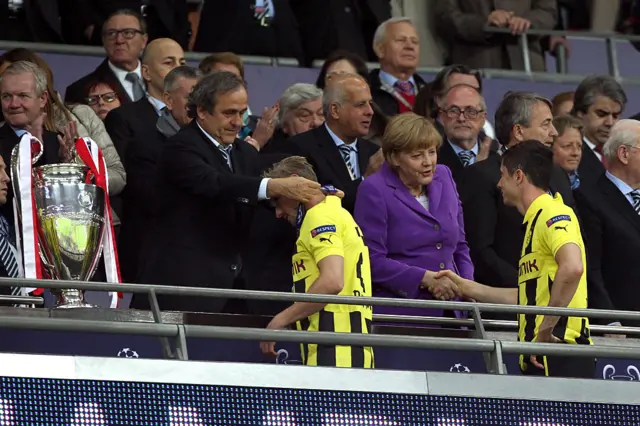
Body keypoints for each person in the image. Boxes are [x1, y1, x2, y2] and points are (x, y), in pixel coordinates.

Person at [132, 71, 323, 313]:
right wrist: (275, 186)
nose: (239, 122)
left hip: (233, 290)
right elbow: (216, 183)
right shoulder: (180, 147)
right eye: (229, 113)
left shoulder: (243, 152)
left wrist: (314, 194)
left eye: (242, 113)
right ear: (202, 111)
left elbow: (258, 196)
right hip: (181, 291)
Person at [439, 140, 593, 378]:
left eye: (503, 175)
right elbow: (527, 296)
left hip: (560, 351)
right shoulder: (534, 220)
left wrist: (545, 330)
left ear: (519, 176)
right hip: (542, 353)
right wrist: (465, 286)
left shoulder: (554, 213)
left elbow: (573, 268)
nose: (499, 183)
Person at [458, 92, 575, 317]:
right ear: (519, 132)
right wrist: (531, 289)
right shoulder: (481, 176)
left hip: (564, 306)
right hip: (508, 312)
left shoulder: (558, 175)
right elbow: (481, 250)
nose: (554, 132)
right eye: (546, 124)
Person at [260, 156, 374, 368]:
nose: (277, 212)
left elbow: (332, 281)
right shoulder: (335, 212)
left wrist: (280, 320)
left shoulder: (319, 217)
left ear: (295, 183)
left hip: (335, 348)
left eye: (277, 199)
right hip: (347, 345)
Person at [354, 113, 471, 318]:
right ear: (394, 157)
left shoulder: (444, 175)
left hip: (455, 310)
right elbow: (371, 260)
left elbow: (460, 245)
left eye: (432, 152)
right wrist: (425, 278)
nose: (428, 162)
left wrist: (467, 288)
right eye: (417, 156)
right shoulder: (374, 189)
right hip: (403, 314)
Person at [119, 66, 201, 283]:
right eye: (190, 98)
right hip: (157, 262)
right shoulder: (144, 143)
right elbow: (151, 200)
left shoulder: (211, 145)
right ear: (168, 99)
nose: (197, 106)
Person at [575, 119, 640, 321]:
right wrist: (609, 319)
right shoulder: (588, 198)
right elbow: (590, 268)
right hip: (620, 325)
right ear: (624, 154)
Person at [287, 74, 381, 214]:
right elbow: (319, 205)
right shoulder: (300, 149)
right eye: (361, 105)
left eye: (370, 104)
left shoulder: (375, 152)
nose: (370, 112)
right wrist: (366, 180)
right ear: (335, 110)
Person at [104, 37, 185, 161]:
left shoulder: (197, 115)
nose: (178, 70)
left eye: (182, 63)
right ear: (146, 72)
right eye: (169, 63)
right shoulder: (123, 118)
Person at [65, 10, 148, 105]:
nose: (119, 40)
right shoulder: (79, 91)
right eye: (111, 34)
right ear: (104, 41)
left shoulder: (162, 79)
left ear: (144, 41)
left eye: (128, 33)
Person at [435, 84, 496, 186]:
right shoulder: (430, 156)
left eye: (471, 111)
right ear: (442, 117)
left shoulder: (497, 154)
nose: (461, 119)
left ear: (483, 119)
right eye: (454, 111)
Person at [572, 75, 627, 185]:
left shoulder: (626, 154)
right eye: (601, 114)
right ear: (581, 113)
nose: (610, 123)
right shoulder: (569, 153)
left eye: (615, 115)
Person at [367, 18, 427, 116]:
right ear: (380, 49)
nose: (410, 46)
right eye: (401, 40)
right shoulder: (366, 94)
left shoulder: (432, 94)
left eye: (414, 41)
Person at [551, 115, 583, 190]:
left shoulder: (590, 183)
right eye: (567, 146)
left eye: (579, 146)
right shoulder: (542, 186)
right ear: (550, 146)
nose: (576, 153)